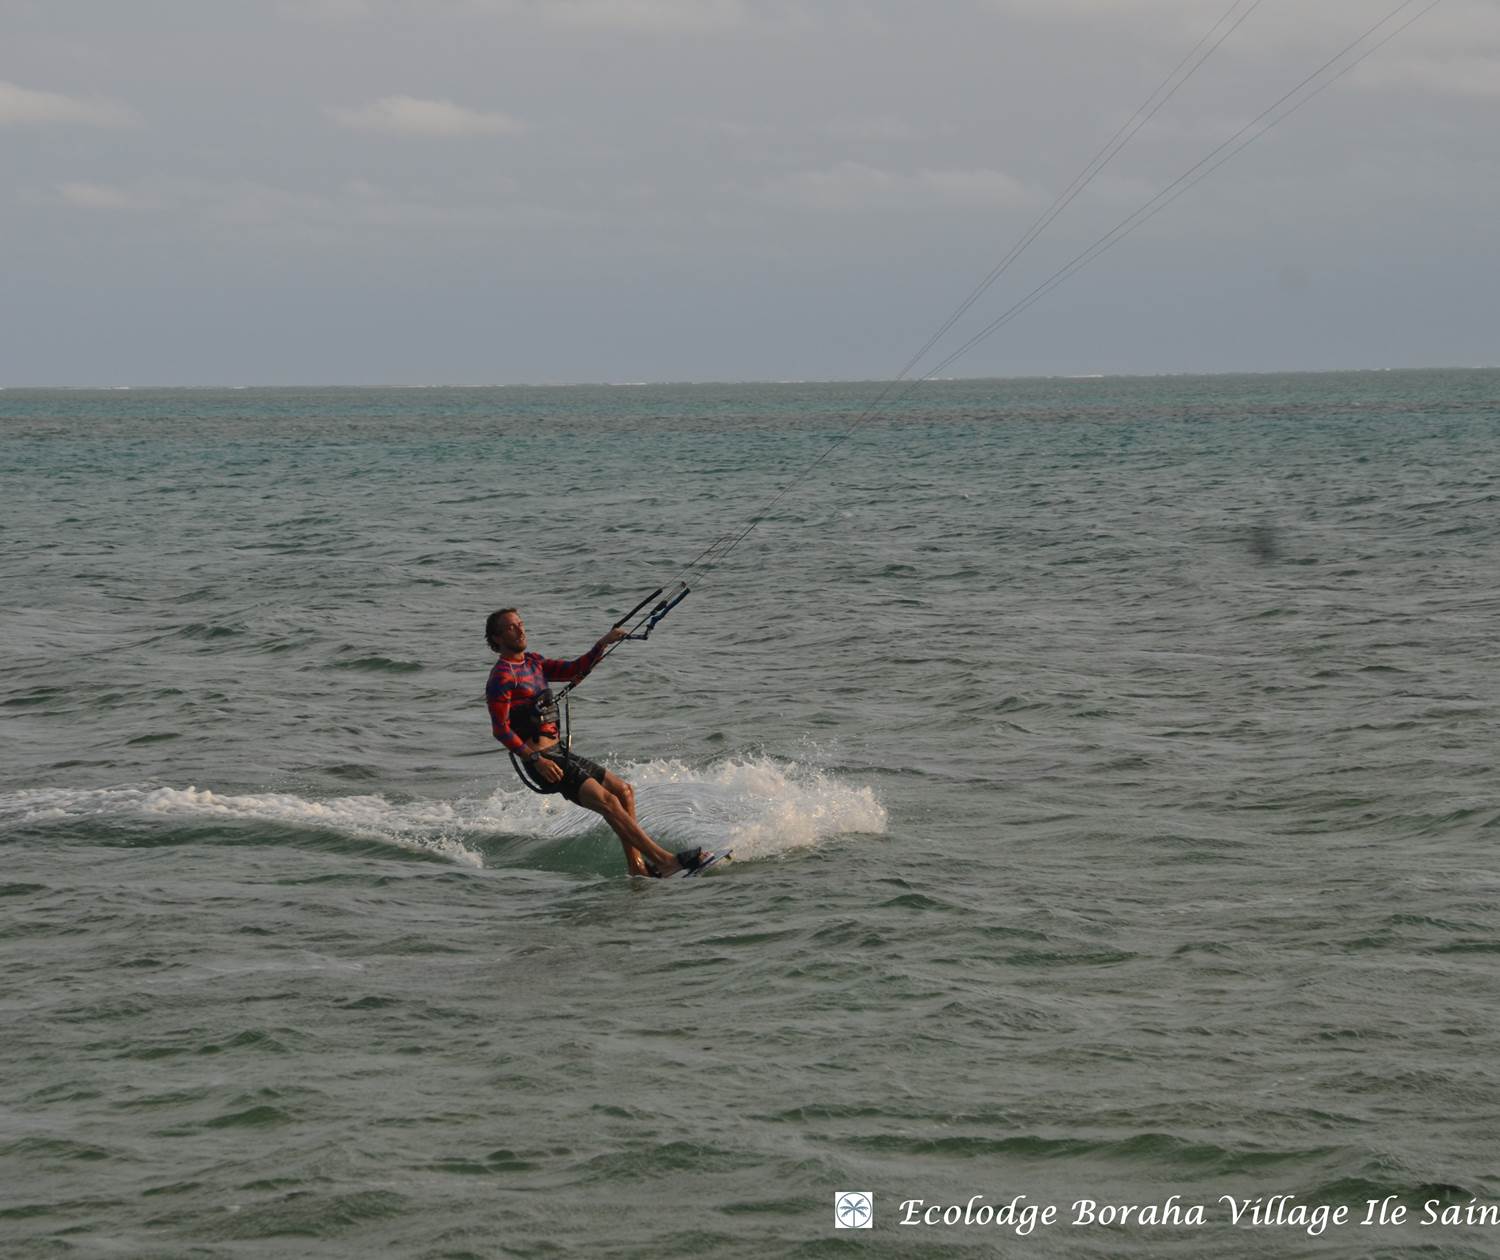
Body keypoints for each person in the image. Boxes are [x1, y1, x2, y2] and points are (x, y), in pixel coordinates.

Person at [484, 608, 710, 877]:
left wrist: (602, 643)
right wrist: (535, 759)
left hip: (559, 752)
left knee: (623, 792)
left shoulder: (534, 662)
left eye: (521, 624)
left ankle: (637, 868)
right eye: (511, 627)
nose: (521, 630)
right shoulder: (502, 676)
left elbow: (573, 669)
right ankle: (664, 860)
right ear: (497, 638)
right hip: (544, 762)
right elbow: (501, 729)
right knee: (608, 802)